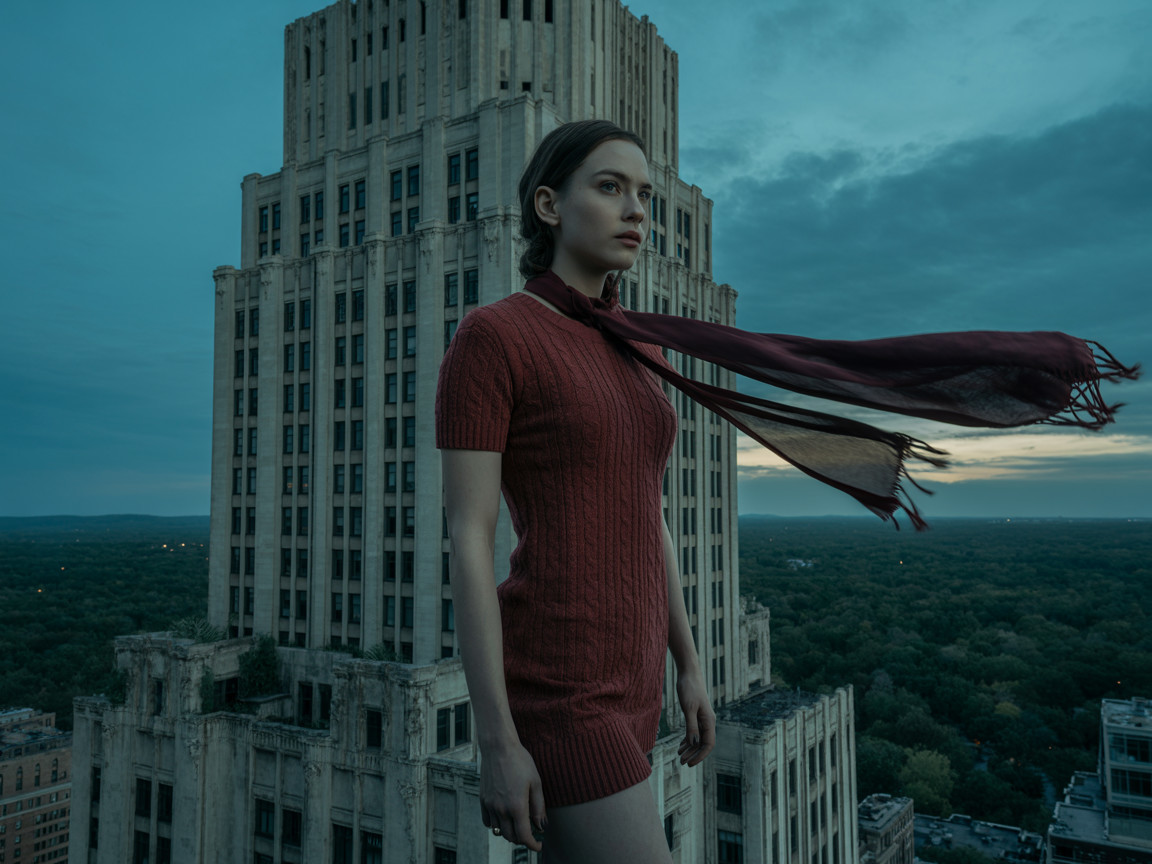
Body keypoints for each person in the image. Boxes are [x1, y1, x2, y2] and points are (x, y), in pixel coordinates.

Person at [436, 120, 710, 862]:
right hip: (561, 685)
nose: (636, 212)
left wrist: (686, 662)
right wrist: (495, 742)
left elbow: (646, 514)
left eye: (644, 196)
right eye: (610, 187)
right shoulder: (494, 337)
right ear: (551, 206)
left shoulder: (638, 344)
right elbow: (467, 535)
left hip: (636, 681)